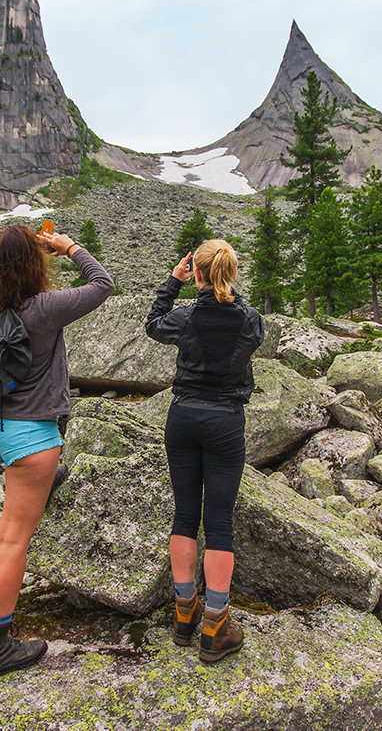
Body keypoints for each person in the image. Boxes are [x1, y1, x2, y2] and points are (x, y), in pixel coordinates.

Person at [0, 223, 114, 683]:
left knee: (30, 489)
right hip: (31, 437)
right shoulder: (47, 309)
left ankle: (43, 480)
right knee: (12, 542)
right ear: (36, 263)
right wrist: (67, 247)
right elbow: (103, 283)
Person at [144, 239, 264, 662]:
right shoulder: (250, 320)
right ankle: (215, 623)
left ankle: (183, 613)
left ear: (195, 273)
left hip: (182, 418)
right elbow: (248, 327)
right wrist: (222, 287)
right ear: (230, 273)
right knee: (219, 524)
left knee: (184, 516)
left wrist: (173, 284)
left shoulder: (185, 317)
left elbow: (153, 323)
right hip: (224, 422)